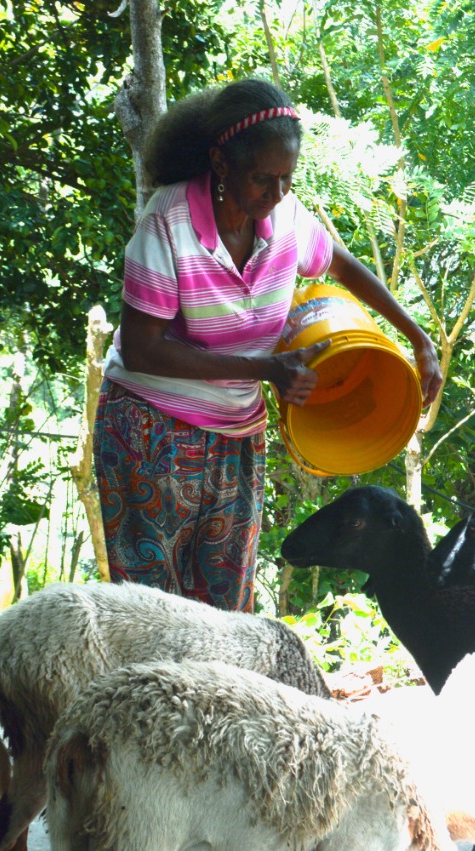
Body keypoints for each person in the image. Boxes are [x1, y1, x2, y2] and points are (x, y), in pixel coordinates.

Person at [95, 77, 442, 612]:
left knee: (225, 608)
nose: (276, 194)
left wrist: (416, 336)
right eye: (262, 179)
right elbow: (143, 350)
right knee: (151, 609)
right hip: (149, 429)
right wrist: (265, 368)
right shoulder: (167, 223)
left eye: (286, 179)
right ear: (220, 161)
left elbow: (344, 266)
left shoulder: (285, 218)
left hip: (236, 433)